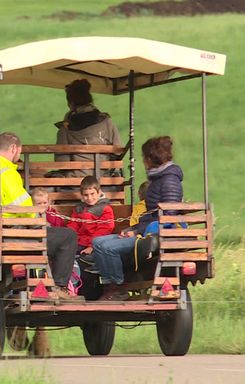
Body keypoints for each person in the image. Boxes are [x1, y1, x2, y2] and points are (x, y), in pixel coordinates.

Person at [0, 132, 79, 300]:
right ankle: (60, 287)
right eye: (19, 151)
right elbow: (25, 207)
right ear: (13, 148)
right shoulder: (6, 172)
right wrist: (38, 219)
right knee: (67, 236)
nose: (18, 155)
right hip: (11, 234)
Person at [92, 136, 183, 301]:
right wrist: (132, 229)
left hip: (157, 234)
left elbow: (167, 217)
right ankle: (110, 286)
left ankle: (118, 288)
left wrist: (136, 232)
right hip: (147, 230)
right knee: (98, 243)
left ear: (150, 158)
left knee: (107, 248)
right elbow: (152, 214)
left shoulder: (169, 181)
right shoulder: (159, 179)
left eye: (143, 157)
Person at [55, 79, 121, 177]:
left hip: (75, 179)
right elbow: (118, 152)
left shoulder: (65, 128)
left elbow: (62, 162)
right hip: (104, 177)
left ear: (71, 103)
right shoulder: (107, 122)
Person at [67, 176, 115, 265]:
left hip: (96, 244)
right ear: (81, 195)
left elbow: (104, 230)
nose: (89, 198)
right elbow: (73, 226)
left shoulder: (105, 209)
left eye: (92, 194)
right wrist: (68, 239)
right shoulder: (79, 208)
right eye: (86, 195)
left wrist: (91, 246)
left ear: (99, 193)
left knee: (87, 258)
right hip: (79, 242)